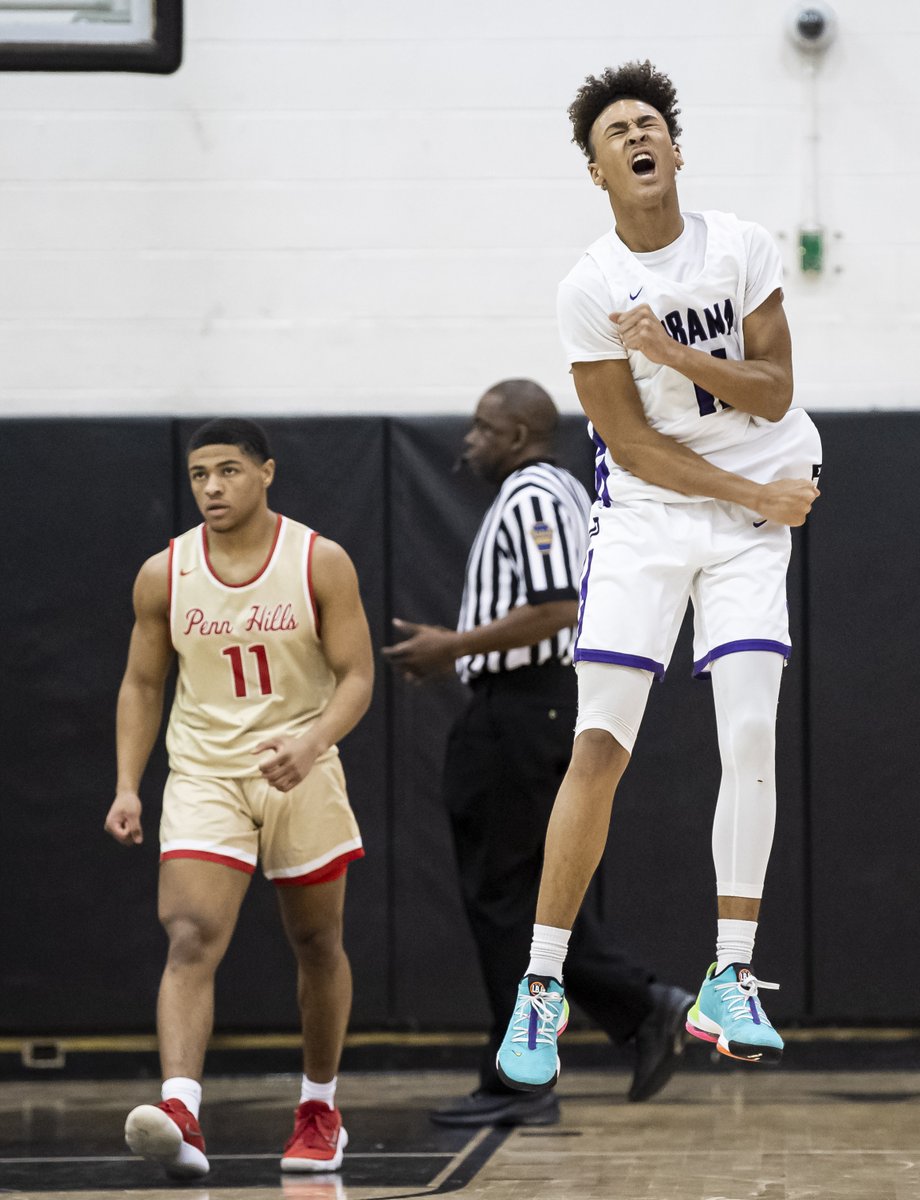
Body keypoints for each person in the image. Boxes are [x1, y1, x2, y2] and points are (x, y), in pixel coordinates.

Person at [496, 62, 822, 1093]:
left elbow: (772, 393)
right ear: (596, 171)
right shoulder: (589, 286)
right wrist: (751, 490)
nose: (635, 136)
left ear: (674, 150)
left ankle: (729, 974)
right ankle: (540, 987)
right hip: (646, 519)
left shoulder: (740, 247)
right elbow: (629, 449)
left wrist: (676, 358)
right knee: (598, 745)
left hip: (747, 518)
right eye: (613, 132)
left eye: (648, 123)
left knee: (749, 730)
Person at [384, 379, 692, 1127]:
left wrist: (451, 646)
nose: (469, 442)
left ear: (520, 433)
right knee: (525, 895)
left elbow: (556, 606)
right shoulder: (557, 490)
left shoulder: (533, 496)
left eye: (484, 429)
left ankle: (526, 1079)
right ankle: (638, 1008)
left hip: (525, 710)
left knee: (504, 900)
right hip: (535, 710)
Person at [103, 418, 373, 1179]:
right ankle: (181, 1111)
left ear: (266, 473)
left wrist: (312, 743)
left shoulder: (320, 560)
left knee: (317, 943)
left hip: (301, 767)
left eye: (227, 471)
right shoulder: (166, 572)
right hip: (205, 773)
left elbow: (357, 676)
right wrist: (128, 784)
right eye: (199, 475)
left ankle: (319, 1108)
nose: (212, 487)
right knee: (189, 933)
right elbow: (143, 683)